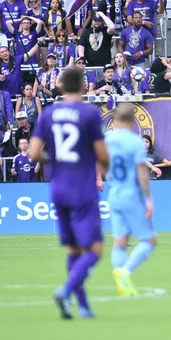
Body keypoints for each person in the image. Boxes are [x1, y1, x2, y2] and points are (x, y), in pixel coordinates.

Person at [29, 67, 110, 319]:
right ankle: (65, 291)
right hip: (81, 188)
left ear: (61, 87)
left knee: (73, 250)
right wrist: (102, 169)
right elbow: (102, 154)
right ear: (84, 87)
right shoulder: (88, 113)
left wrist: (54, 158)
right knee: (95, 250)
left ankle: (83, 307)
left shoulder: (50, 113)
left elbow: (33, 154)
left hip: (58, 187)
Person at [105, 104, 156, 297]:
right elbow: (141, 172)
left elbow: (99, 163)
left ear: (115, 120)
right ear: (133, 121)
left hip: (114, 194)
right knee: (149, 240)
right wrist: (148, 199)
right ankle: (125, 272)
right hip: (131, 195)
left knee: (119, 241)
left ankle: (122, 285)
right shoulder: (135, 142)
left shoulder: (107, 139)